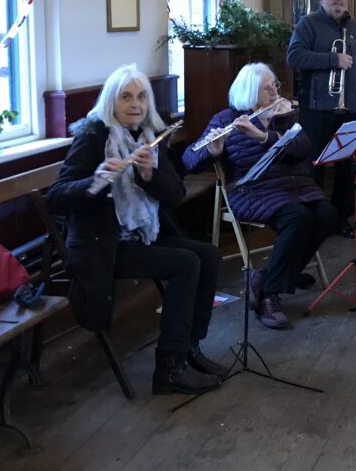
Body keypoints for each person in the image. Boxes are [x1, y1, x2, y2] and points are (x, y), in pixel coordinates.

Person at [46, 65, 226, 396]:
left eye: (142, 97)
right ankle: (169, 368)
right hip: (103, 244)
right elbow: (56, 198)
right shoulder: (93, 137)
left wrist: (149, 175)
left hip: (141, 233)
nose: (136, 104)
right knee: (186, 264)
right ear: (111, 102)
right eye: (126, 97)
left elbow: (175, 195)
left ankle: (189, 346)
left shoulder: (149, 137)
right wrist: (96, 180)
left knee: (209, 255)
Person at [182, 63, 334, 330]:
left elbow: (303, 147)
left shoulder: (284, 114)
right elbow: (189, 160)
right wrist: (213, 151)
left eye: (275, 84)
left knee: (326, 215)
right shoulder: (225, 119)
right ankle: (270, 296)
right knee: (297, 218)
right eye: (268, 88)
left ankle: (264, 276)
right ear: (250, 92)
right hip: (254, 190)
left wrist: (264, 135)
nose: (275, 91)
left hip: (297, 185)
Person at [286, 0, 356, 237]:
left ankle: (340, 218)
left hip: (350, 107)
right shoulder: (309, 24)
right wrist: (333, 59)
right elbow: (294, 56)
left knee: (346, 168)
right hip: (317, 108)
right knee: (314, 165)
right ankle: (315, 217)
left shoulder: (354, 26)